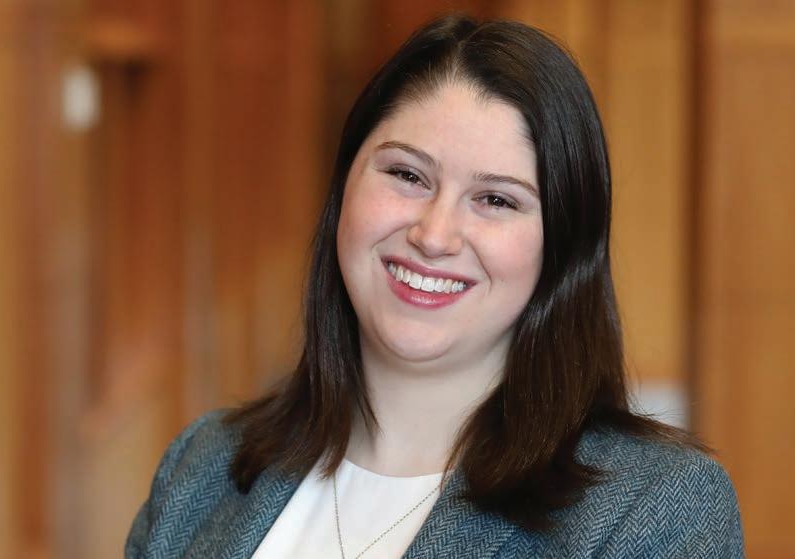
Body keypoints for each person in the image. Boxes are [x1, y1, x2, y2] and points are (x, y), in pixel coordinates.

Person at [125, 14, 744, 559]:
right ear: (344, 190)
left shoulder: (651, 511)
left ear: (561, 250)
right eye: (407, 175)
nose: (434, 234)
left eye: (496, 200)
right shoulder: (202, 467)